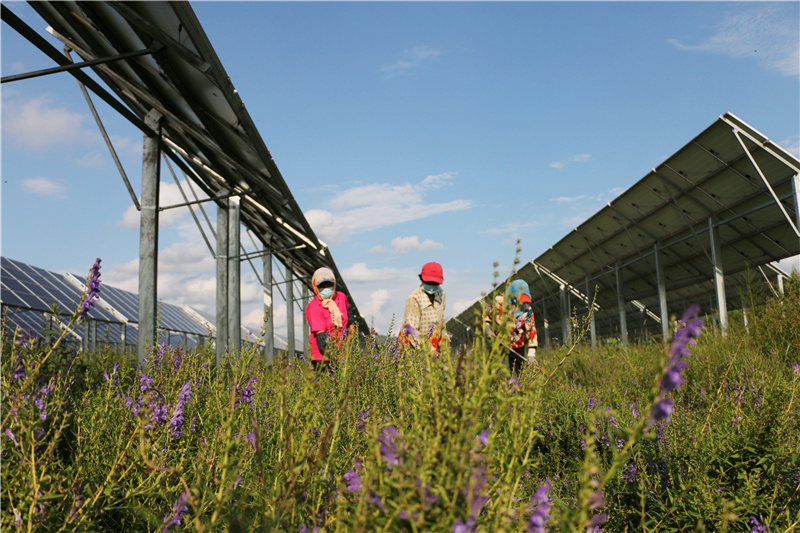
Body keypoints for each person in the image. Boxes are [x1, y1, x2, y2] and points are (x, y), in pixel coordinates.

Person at [484, 279, 538, 375]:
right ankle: (491, 388)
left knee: (517, 374)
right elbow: (486, 315)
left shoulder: (527, 310)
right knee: (491, 371)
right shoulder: (498, 303)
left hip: (517, 345)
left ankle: (515, 389)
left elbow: (532, 332)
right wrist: (487, 328)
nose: (523, 303)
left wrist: (531, 355)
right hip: (498, 341)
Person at [305, 267, 354, 371]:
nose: (326, 288)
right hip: (323, 357)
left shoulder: (340, 297)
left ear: (334, 284)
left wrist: (352, 325)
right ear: (315, 287)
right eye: (322, 286)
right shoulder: (314, 307)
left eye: (329, 284)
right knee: (326, 385)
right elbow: (322, 338)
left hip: (342, 352)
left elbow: (348, 309)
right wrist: (335, 356)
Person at [401, 262, 448, 352]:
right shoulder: (414, 298)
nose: (431, 286)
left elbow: (441, 321)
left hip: (435, 345)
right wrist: (429, 350)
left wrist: (445, 340)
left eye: (434, 283)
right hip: (415, 347)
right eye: (428, 282)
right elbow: (412, 330)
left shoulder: (441, 294)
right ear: (421, 279)